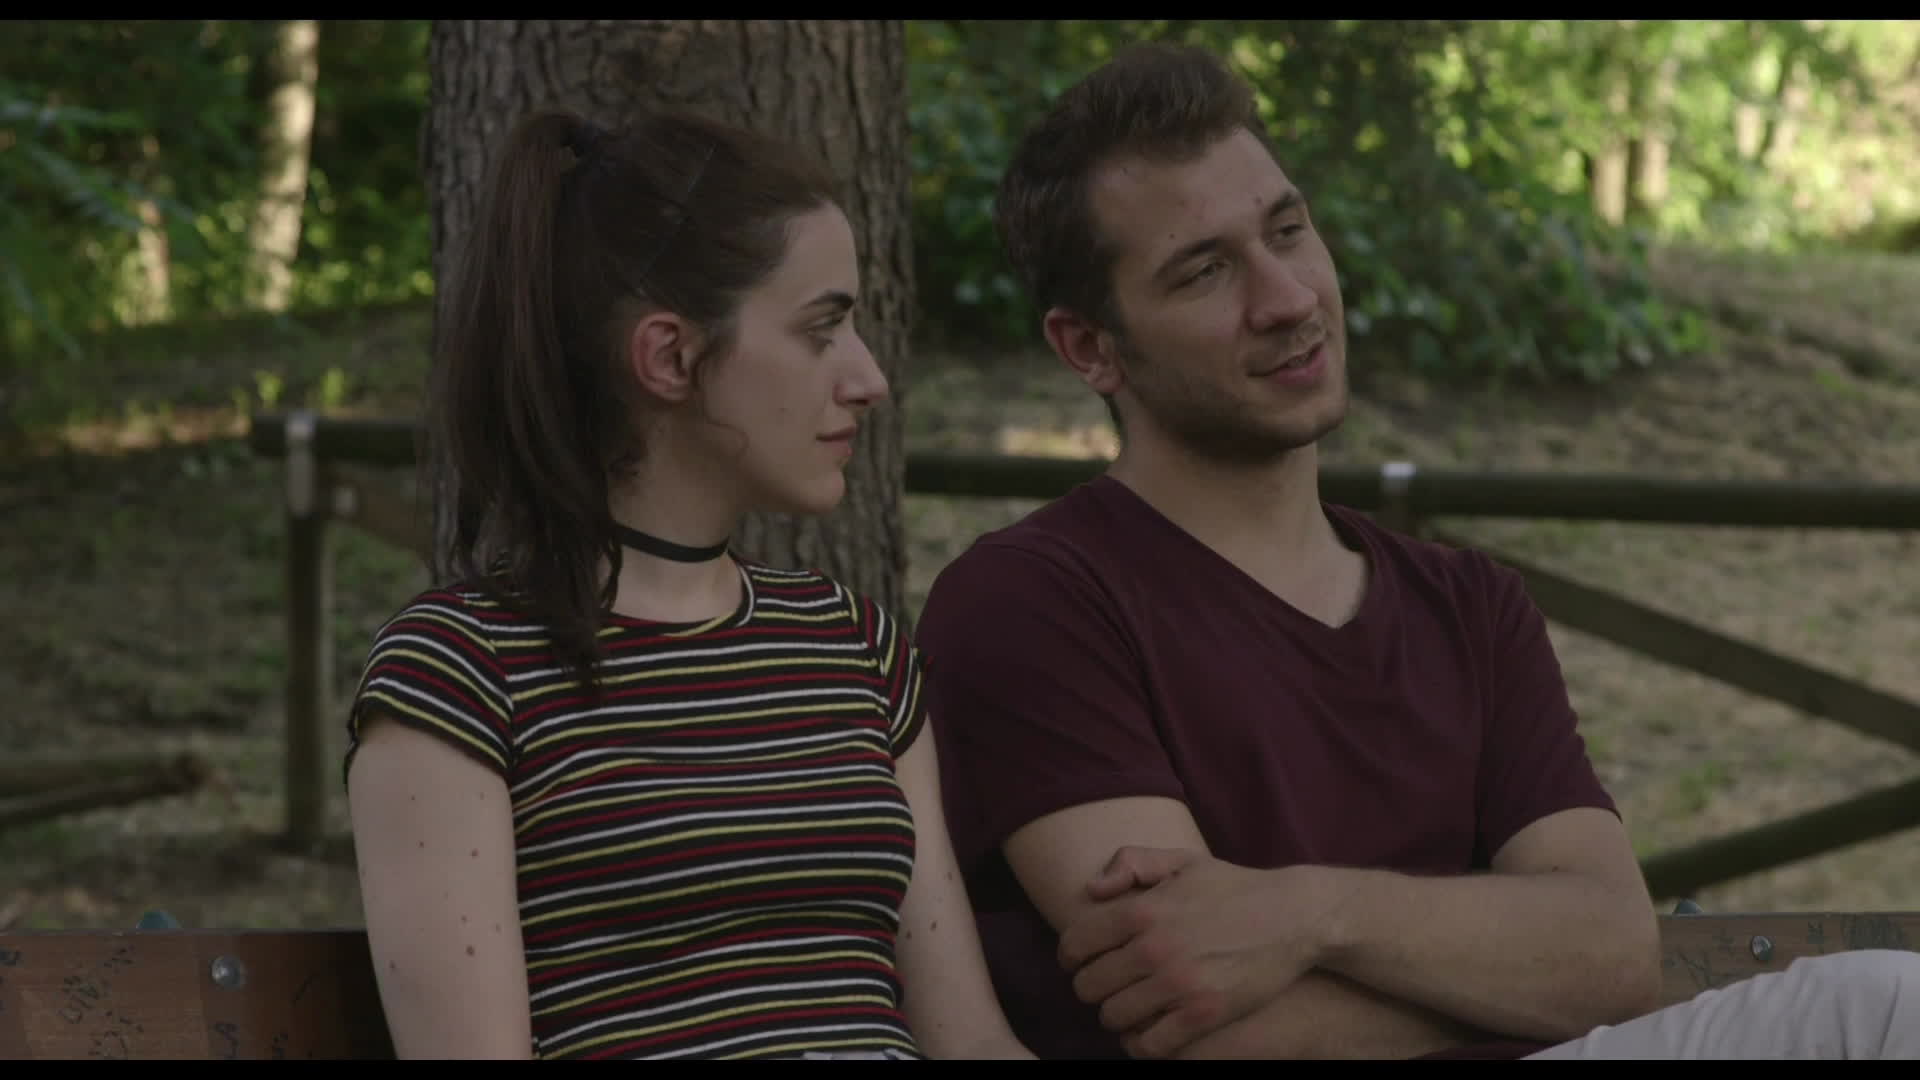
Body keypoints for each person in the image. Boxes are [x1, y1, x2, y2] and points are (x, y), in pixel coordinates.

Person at [912, 41, 1920, 1061]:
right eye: (1206, 271)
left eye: (1288, 231)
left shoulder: (1468, 602)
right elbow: (1209, 1024)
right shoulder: (1030, 604)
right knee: (1887, 1008)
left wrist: (1311, 914)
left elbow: (1614, 952)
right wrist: (1513, 975)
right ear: (1089, 347)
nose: (1287, 298)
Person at [343, 105, 1033, 1062]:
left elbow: (971, 1044)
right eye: (823, 329)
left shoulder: (854, 647)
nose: (869, 378)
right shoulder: (461, 673)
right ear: (670, 357)